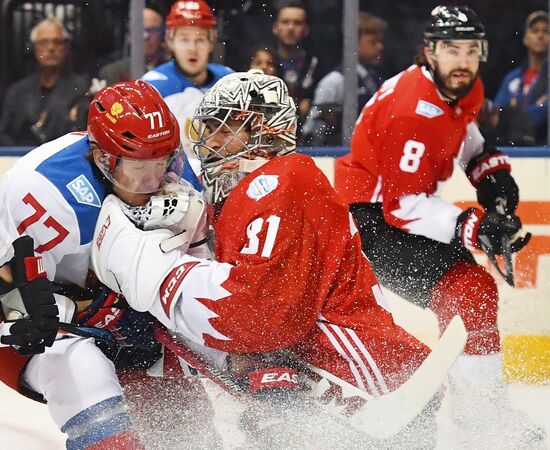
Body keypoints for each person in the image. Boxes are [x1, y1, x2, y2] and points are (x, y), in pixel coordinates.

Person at [90, 70, 467, 445]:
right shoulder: (247, 191)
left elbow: (259, 315)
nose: (210, 143)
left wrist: (157, 276)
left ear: (260, 130)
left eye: (223, 129)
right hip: (332, 376)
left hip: (369, 378)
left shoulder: (283, 180)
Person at [334, 5, 542, 445]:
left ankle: (476, 408)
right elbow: (403, 206)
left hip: (394, 212)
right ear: (429, 52)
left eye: (470, 50)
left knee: (475, 295)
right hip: (370, 225)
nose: (463, 61)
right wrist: (474, 225)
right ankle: (480, 414)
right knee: (471, 293)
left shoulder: (455, 87)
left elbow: (463, 133)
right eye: (451, 49)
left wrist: (491, 174)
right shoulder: (410, 109)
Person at [0, 80, 218, 449]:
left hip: (130, 328)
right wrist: (27, 314)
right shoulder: (45, 189)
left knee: (191, 431)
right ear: (103, 158)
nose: (153, 182)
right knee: (87, 379)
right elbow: (9, 289)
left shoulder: (180, 180)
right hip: (52, 334)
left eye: (162, 162)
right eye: (137, 168)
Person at [142, 0, 233, 190]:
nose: (192, 48)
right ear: (169, 41)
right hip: (173, 189)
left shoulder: (230, 81)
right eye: (184, 39)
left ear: (212, 41)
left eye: (200, 39)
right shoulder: (153, 88)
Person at [0, 18, 88, 146]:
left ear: (67, 47)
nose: (51, 48)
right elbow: (4, 134)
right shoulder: (17, 91)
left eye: (57, 42)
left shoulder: (80, 87)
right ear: (34, 47)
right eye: (44, 42)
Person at [302, 12, 386, 146]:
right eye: (373, 42)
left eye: (380, 41)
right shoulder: (335, 81)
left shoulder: (374, 78)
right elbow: (313, 133)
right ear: (353, 43)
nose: (380, 47)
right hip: (338, 156)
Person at [493, 10, 549, 145]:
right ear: (525, 38)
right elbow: (496, 115)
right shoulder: (512, 78)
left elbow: (544, 114)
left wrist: (512, 116)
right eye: (535, 31)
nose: (540, 36)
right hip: (514, 152)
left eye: (546, 31)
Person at [271, 0, 320, 123]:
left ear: (306, 29)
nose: (291, 28)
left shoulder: (318, 65)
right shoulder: (264, 62)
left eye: (297, 23)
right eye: (285, 22)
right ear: (275, 28)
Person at [97, 6, 168, 86]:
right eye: (139, 29)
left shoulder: (173, 72)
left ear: (163, 35)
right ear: (129, 36)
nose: (145, 36)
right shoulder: (111, 73)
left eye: (152, 30)